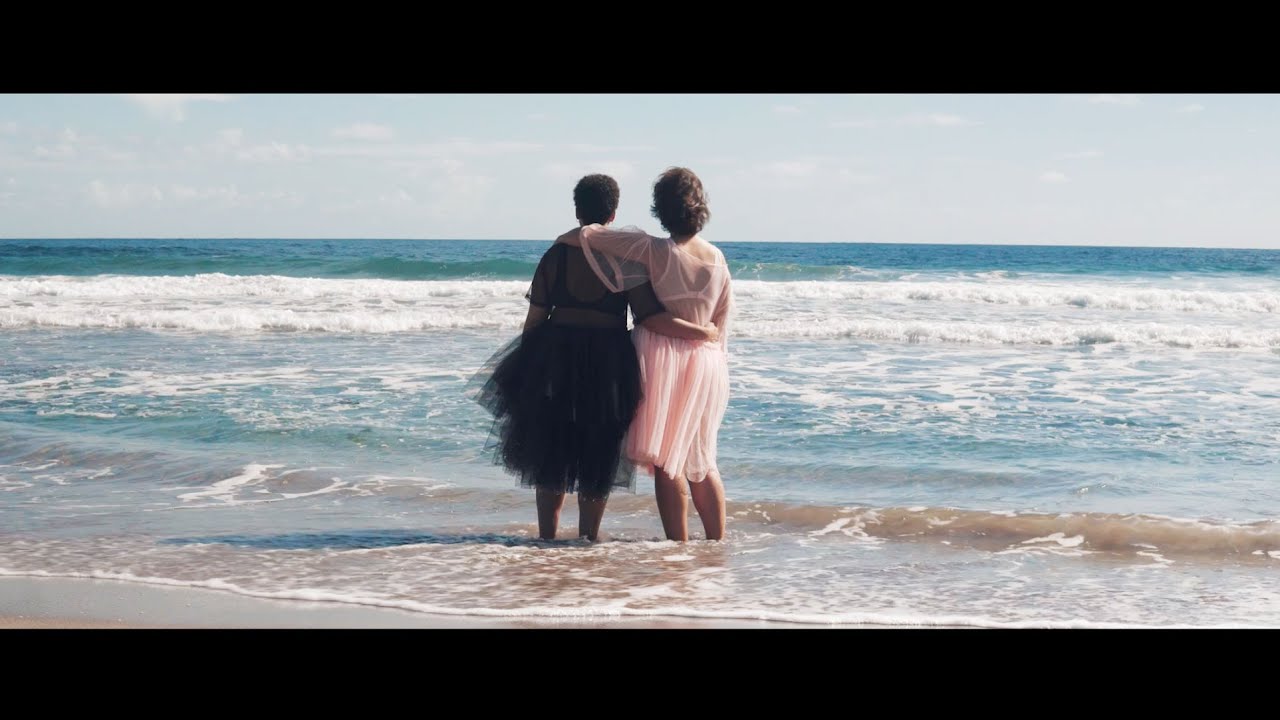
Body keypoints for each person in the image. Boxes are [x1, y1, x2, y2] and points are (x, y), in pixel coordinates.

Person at [472, 174, 719, 541]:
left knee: (552, 449)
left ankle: (547, 537)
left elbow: (535, 317)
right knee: (598, 449)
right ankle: (588, 537)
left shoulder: (556, 255)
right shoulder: (624, 258)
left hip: (555, 355)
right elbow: (647, 314)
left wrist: (529, 365)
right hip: (609, 360)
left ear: (577, 211)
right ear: (613, 214)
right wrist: (702, 332)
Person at [556, 167, 733, 541]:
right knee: (702, 459)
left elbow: (586, 235)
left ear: (661, 209)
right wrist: (708, 345)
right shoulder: (717, 258)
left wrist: (565, 239)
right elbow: (721, 322)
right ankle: (717, 545)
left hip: (664, 361)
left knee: (668, 461)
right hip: (708, 362)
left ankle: (678, 547)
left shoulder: (653, 249)